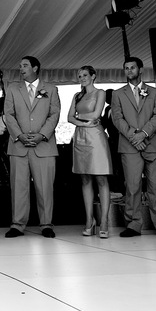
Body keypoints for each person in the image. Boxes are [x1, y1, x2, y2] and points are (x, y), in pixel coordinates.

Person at [111, 57, 156, 238]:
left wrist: (144, 134)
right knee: (132, 186)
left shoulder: (155, 92)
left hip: (152, 143)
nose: (129, 70)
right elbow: (117, 118)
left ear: (141, 70)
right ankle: (133, 224)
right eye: (126, 68)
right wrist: (134, 135)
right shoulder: (118, 94)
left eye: (132, 67)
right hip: (129, 144)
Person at [3, 56, 61, 238]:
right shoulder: (12, 89)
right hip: (18, 146)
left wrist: (41, 135)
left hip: (43, 146)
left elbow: (54, 114)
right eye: (20, 66)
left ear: (35, 68)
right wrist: (19, 135)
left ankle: (46, 224)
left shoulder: (51, 89)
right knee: (18, 187)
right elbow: (8, 115)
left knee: (45, 187)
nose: (21, 68)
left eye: (25, 65)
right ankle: (17, 224)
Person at [67, 66, 112, 238]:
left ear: (93, 76)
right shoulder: (76, 96)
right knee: (85, 178)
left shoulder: (100, 92)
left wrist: (78, 119)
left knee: (101, 177)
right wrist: (82, 123)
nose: (82, 78)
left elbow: (96, 114)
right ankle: (89, 220)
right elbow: (68, 117)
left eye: (85, 75)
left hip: (96, 137)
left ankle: (105, 221)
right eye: (79, 76)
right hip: (80, 136)